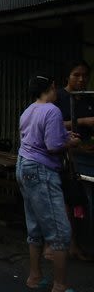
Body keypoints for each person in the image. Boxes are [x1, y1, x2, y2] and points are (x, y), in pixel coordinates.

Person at [17, 75, 80, 292]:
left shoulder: (28, 110)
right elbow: (52, 145)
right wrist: (70, 141)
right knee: (60, 231)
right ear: (52, 87)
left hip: (24, 166)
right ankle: (60, 285)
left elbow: (33, 136)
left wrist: (63, 133)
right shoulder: (52, 110)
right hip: (41, 170)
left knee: (34, 225)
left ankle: (35, 277)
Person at [53, 60, 94, 262]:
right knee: (68, 200)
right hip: (64, 156)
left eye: (85, 75)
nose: (81, 79)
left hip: (85, 153)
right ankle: (70, 244)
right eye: (76, 75)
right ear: (67, 77)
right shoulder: (59, 97)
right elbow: (52, 123)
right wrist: (83, 122)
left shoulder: (87, 99)